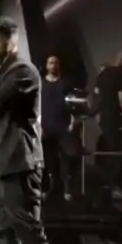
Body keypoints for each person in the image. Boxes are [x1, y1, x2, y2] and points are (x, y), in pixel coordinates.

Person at [0, 16, 54, 244]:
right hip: (0, 163)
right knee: (3, 229)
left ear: (10, 42)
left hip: (20, 163)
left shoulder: (21, 72)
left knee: (31, 233)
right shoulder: (1, 73)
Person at [94, 48, 122, 197]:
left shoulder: (103, 74)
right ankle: (118, 186)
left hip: (104, 117)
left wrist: (97, 114)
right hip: (116, 117)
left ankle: (109, 185)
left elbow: (97, 94)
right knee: (121, 151)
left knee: (109, 149)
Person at [42, 55, 74, 202]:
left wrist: (73, 122)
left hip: (63, 127)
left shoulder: (66, 83)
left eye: (56, 63)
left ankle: (66, 190)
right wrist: (38, 125)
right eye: (51, 63)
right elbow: (36, 105)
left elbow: (73, 105)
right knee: (47, 161)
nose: (53, 65)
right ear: (46, 65)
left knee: (66, 160)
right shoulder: (41, 84)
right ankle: (48, 188)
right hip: (46, 127)